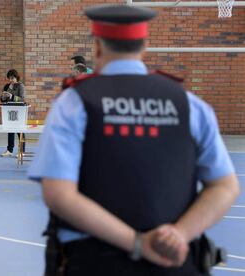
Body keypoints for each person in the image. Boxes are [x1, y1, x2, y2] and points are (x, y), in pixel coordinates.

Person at [29, 5, 240, 276]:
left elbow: (59, 194)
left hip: (94, 261)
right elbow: (225, 186)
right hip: (174, 259)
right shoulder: (188, 104)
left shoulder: (75, 102)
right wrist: (178, 233)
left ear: (97, 46)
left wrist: (139, 243)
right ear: (145, 46)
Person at [0, 69, 26, 157]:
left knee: (20, 131)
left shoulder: (21, 86)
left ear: (16, 77)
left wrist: (11, 96)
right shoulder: (7, 86)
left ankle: (22, 151)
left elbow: (22, 99)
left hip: (19, 111)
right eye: (9, 78)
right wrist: (3, 97)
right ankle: (9, 150)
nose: (11, 80)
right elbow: (3, 99)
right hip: (9, 110)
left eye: (12, 78)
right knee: (10, 129)